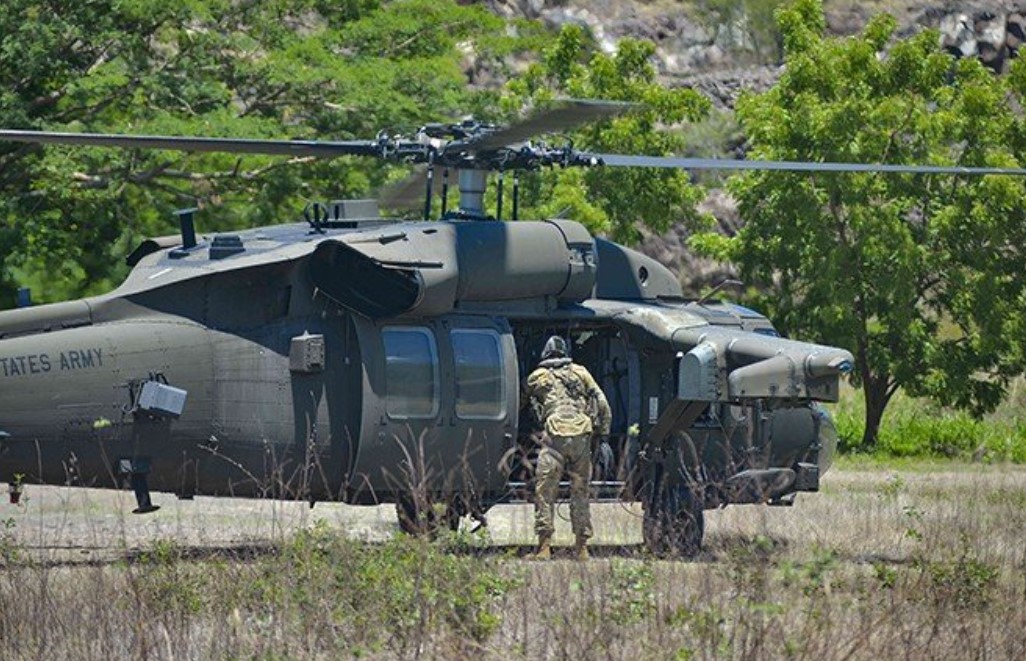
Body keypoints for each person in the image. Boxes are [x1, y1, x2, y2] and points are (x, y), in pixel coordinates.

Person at [523, 335, 611, 560]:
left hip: (554, 437)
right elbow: (602, 403)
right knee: (580, 492)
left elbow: (521, 401)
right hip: (582, 436)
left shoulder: (537, 377)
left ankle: (544, 548)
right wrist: (604, 437)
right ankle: (582, 548)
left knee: (545, 491)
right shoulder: (581, 372)